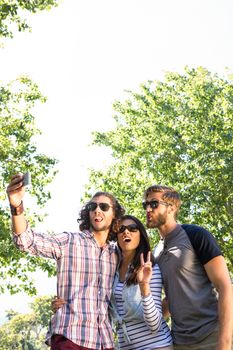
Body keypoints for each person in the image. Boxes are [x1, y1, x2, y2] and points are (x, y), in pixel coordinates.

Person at [6, 172, 125, 350]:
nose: (97, 210)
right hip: (71, 337)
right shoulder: (69, 241)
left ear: (115, 215)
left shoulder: (117, 254)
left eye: (104, 207)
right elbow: (25, 240)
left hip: (105, 341)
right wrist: (16, 205)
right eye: (93, 206)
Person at [142, 185, 233, 350]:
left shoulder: (196, 235)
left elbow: (225, 286)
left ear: (172, 207)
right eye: (145, 204)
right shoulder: (156, 253)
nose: (148, 209)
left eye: (154, 204)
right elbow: (172, 299)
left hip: (212, 336)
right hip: (179, 342)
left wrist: (224, 342)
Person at [109, 214, 173, 350]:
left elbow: (154, 325)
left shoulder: (151, 269)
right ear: (117, 237)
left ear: (141, 235)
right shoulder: (111, 270)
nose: (126, 232)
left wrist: (144, 286)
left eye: (132, 228)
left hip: (156, 346)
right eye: (121, 229)